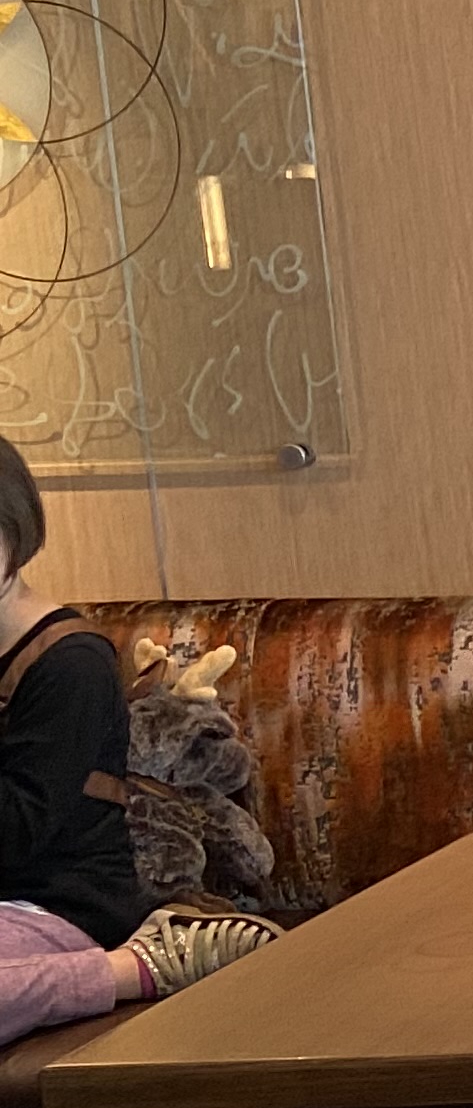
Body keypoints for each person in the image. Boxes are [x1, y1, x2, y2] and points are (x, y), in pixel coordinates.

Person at [0, 436, 268, 1030]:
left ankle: (138, 967)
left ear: (12, 537)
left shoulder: (71, 663)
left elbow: (19, 828)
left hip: (60, 905)